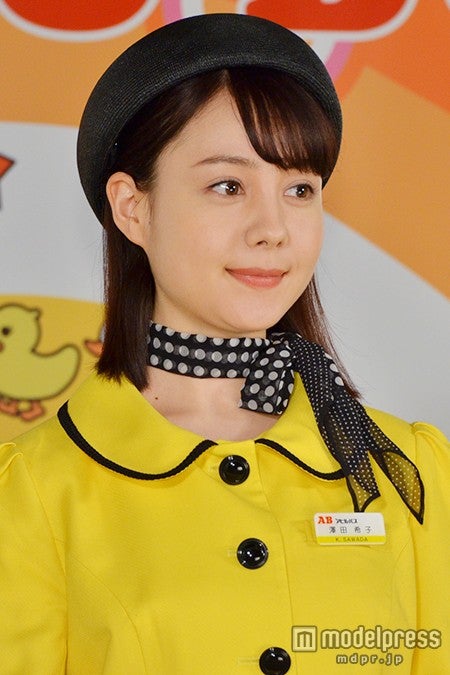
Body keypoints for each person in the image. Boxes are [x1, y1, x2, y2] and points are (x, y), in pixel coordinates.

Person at [0, 13, 448, 675]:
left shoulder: (407, 469)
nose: (273, 228)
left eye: (299, 189)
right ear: (133, 208)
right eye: (228, 186)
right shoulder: (35, 492)